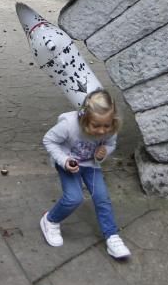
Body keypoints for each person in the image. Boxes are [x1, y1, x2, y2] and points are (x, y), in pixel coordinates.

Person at [39, 90, 131, 260]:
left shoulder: (111, 128)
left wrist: (104, 152)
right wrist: (64, 160)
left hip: (91, 165)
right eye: (96, 126)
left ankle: (111, 236)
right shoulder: (68, 126)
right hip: (69, 164)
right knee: (74, 198)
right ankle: (50, 220)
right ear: (84, 118)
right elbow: (48, 140)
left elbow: (111, 144)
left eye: (107, 126)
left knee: (102, 198)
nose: (102, 131)